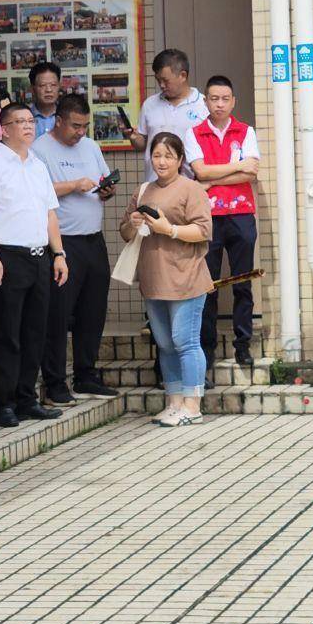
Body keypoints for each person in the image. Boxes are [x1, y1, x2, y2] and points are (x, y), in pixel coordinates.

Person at [0, 101, 68, 425]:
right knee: (7, 334)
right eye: (20, 121)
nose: (28, 126)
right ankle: (4, 403)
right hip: (7, 256)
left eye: (31, 121)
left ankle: (28, 397)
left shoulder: (37, 165)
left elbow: (49, 213)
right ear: (4, 129)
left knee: (34, 332)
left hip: (38, 256)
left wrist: (58, 254)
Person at [120, 132, 214, 427]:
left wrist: (168, 229)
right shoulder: (144, 190)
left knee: (184, 341)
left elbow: (203, 231)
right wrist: (133, 224)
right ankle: (174, 402)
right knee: (164, 343)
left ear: (180, 160)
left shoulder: (191, 189)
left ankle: (193, 403)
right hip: (153, 277)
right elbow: (124, 232)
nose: (161, 161)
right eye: (157, 155)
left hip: (186, 276)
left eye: (168, 156)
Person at [33, 92, 117, 399]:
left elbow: (102, 180)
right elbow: (37, 190)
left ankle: (86, 373)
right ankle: (54, 382)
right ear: (59, 121)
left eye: (85, 126)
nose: (80, 132)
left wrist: (106, 190)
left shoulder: (91, 146)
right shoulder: (40, 149)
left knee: (92, 311)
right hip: (62, 243)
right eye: (75, 126)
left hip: (93, 238)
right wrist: (74, 185)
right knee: (58, 314)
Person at [188, 75, 260, 368]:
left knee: (243, 283)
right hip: (208, 218)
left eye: (225, 99)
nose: (219, 104)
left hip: (241, 214)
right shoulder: (193, 133)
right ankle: (207, 349)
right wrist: (236, 166)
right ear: (205, 101)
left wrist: (214, 175)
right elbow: (199, 173)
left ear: (233, 102)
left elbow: (250, 173)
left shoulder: (246, 131)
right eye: (214, 99)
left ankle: (243, 344)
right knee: (209, 285)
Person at [131, 48, 209, 181]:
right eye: (158, 80)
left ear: (183, 76)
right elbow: (142, 144)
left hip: (192, 186)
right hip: (154, 186)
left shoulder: (204, 105)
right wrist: (133, 138)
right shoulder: (149, 104)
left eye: (165, 80)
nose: (161, 85)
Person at [28, 61, 63, 139]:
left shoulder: (67, 116)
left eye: (53, 85)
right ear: (33, 89)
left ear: (59, 86)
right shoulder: (24, 118)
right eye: (43, 85)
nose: (49, 90)